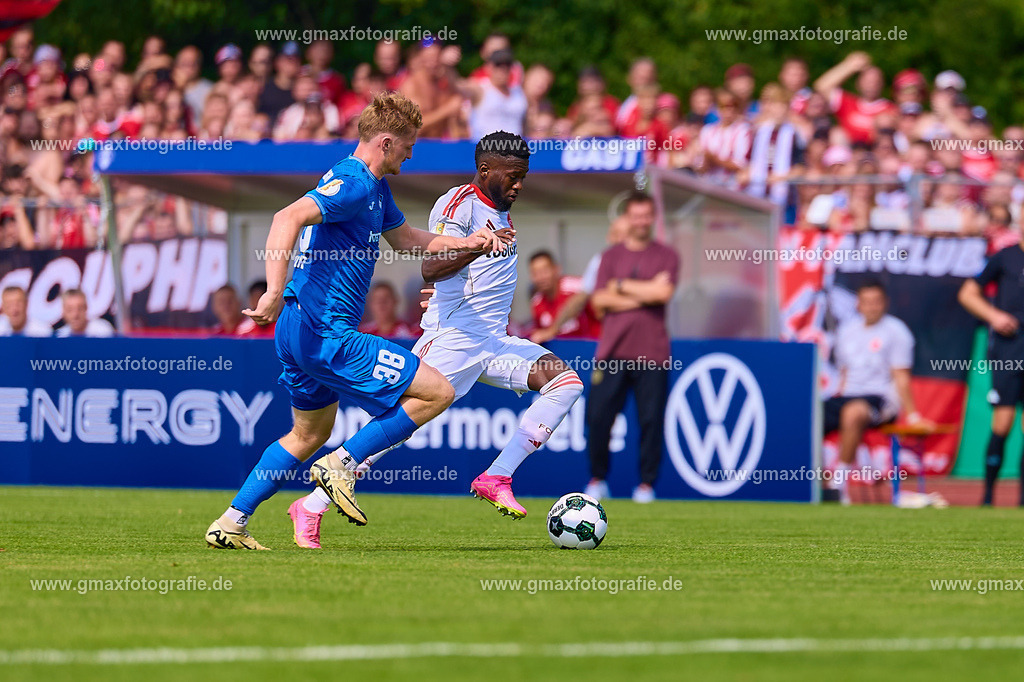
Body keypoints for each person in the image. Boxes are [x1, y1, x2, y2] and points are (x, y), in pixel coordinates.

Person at [205, 92, 508, 550]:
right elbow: (285, 217)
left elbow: (408, 240)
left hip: (298, 327)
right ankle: (341, 465)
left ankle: (232, 520)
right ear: (386, 143)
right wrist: (270, 287)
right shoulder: (355, 182)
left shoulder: (375, 189)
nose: (412, 152)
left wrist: (472, 243)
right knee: (438, 391)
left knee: (307, 434)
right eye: (408, 144)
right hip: (326, 331)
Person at [288, 131, 583, 548]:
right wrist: (476, 249)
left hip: (494, 342)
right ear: (485, 171)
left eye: (524, 176)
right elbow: (430, 266)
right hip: (453, 339)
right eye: (513, 176)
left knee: (566, 383)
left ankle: (496, 475)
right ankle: (313, 504)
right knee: (396, 430)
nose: (519, 184)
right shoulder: (458, 203)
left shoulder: (501, 212)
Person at [586, 192, 679, 503]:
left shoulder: (667, 255)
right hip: (612, 351)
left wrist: (621, 286)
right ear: (628, 217)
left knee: (651, 421)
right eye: (636, 215)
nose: (641, 221)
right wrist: (646, 291)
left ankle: (646, 485)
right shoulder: (610, 256)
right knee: (598, 417)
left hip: (652, 353)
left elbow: (663, 294)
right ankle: (598, 479)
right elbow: (599, 300)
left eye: (646, 215)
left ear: (653, 218)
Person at [825, 281, 922, 505]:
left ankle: (837, 485)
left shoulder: (897, 332)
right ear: (858, 305)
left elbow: (901, 376)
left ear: (885, 304)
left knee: (853, 412)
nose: (872, 307)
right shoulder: (846, 331)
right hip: (847, 395)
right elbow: (843, 373)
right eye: (867, 302)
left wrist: (913, 414)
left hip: (880, 400)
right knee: (809, 416)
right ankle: (807, 484)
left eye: (876, 302)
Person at [958, 229, 1024, 505]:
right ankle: (987, 497)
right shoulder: (1006, 257)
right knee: (1003, 422)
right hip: (1009, 349)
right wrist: (994, 316)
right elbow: (968, 293)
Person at [528, 250, 600, 341]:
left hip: (592, 349)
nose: (541, 277)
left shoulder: (578, 288)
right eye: (535, 273)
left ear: (556, 269)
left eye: (544, 271)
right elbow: (540, 335)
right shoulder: (536, 303)